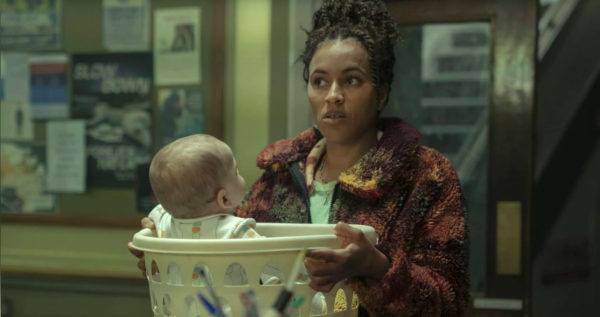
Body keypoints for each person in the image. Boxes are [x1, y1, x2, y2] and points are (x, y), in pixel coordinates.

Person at [131, 0, 469, 315]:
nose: (333, 96)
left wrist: (376, 268)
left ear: (381, 92)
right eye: (320, 81)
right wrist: (170, 243)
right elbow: (222, 260)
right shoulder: (278, 176)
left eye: (351, 80)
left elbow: (448, 303)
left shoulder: (426, 176)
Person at [147, 134, 255, 240]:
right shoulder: (236, 231)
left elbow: (157, 212)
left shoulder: (162, 221)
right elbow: (267, 254)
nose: (239, 174)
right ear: (224, 199)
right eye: (236, 172)